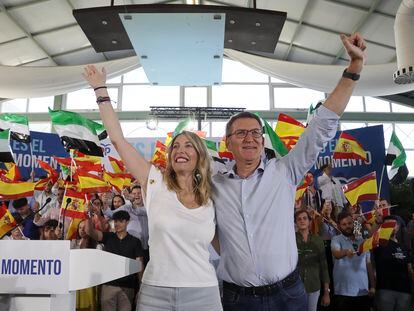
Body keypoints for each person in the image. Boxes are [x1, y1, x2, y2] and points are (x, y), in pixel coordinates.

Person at [213, 32, 366, 311]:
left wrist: (353, 69)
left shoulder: (284, 171)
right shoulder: (215, 182)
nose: (250, 138)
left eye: (256, 132)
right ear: (227, 142)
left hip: (289, 294)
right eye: (241, 133)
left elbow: (321, 127)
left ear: (262, 139)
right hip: (238, 299)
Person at [83, 66, 222, 311]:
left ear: (200, 155)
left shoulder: (213, 193)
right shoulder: (154, 181)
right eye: (176, 146)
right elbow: (118, 140)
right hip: (156, 292)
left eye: (189, 146)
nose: (180, 150)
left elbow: (226, 242)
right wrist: (100, 89)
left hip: (203, 292)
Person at [85, 210, 144, 311]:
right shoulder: (108, 237)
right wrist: (88, 216)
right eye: (115, 221)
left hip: (128, 286)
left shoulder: (135, 241)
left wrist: (141, 286)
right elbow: (90, 232)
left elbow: (139, 265)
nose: (117, 224)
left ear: (127, 222)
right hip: (108, 285)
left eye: (121, 221)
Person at [331, 211, 375, 311]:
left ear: (353, 223)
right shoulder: (336, 239)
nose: (347, 226)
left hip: (363, 291)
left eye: (349, 223)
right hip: (343, 292)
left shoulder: (363, 241)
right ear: (339, 226)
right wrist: (346, 252)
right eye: (344, 224)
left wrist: (372, 286)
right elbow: (336, 254)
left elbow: (369, 264)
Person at [372, 215, 414, 311]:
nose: (390, 227)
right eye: (387, 224)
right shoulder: (378, 244)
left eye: (393, 224)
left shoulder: (404, 247)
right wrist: (377, 223)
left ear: (398, 227)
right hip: (385, 290)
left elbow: (409, 269)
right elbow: (371, 236)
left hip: (405, 291)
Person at [295, 209, 330, 311]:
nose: (302, 221)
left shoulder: (318, 240)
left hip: (314, 286)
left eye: (305, 218)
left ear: (310, 221)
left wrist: (326, 293)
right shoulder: (291, 239)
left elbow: (324, 267)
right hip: (295, 287)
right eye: (299, 219)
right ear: (296, 223)